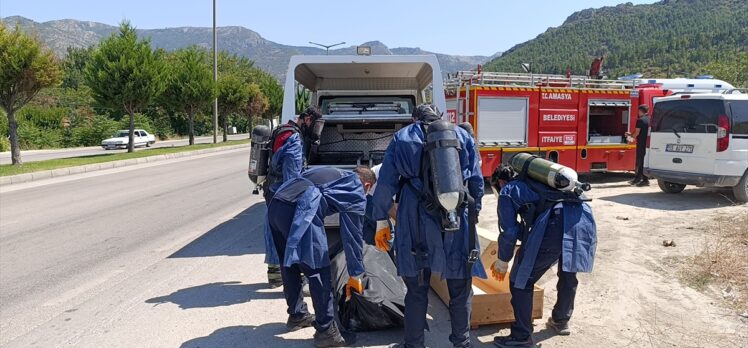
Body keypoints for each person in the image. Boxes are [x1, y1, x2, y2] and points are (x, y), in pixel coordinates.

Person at [371, 104, 485, 348]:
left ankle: (414, 344)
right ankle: (462, 343)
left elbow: (386, 184)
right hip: (456, 214)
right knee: (460, 288)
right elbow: (476, 180)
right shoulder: (462, 136)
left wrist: (381, 219)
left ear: (414, 118)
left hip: (415, 218)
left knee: (417, 288)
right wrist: (472, 214)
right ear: (440, 117)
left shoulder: (402, 137)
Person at [265, 165, 375, 347]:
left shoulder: (334, 173)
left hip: (276, 206)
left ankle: (297, 315)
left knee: (290, 264)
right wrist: (356, 274)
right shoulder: (355, 187)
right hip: (298, 211)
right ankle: (326, 332)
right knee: (318, 269)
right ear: (367, 185)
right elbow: (352, 235)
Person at [489, 164, 597, 348]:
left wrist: (503, 260)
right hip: (583, 218)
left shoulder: (508, 190)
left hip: (556, 222)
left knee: (520, 281)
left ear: (499, 181)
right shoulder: (542, 182)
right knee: (568, 271)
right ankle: (561, 319)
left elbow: (509, 231)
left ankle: (521, 336)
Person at [263, 106, 323, 288]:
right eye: (316, 125)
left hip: (272, 189)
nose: (316, 131)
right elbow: (293, 177)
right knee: (292, 234)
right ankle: (296, 277)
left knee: (273, 232)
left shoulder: (283, 130)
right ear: (308, 120)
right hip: (284, 192)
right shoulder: (294, 139)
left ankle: (275, 275)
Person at [625, 105, 650, 186]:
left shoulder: (640, 120)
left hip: (641, 143)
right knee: (644, 161)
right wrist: (631, 134)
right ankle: (639, 178)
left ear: (640, 111)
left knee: (640, 161)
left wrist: (629, 138)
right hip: (648, 143)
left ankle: (644, 180)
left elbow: (637, 132)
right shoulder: (650, 119)